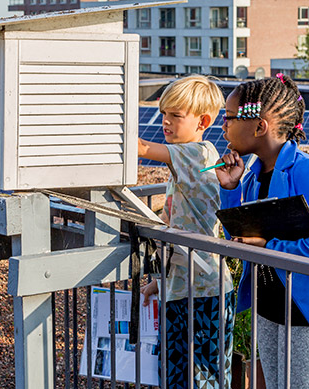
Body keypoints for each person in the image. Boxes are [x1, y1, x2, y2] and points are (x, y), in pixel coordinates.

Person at [215, 74, 309, 389]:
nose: (223, 125)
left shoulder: (305, 170)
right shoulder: (251, 175)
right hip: (268, 300)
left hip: (303, 305)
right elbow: (238, 239)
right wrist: (230, 189)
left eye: (230, 117)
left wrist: (270, 246)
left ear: (260, 126)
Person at [138, 74, 235, 389]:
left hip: (203, 288)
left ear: (203, 121)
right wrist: (157, 282)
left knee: (202, 376)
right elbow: (180, 223)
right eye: (164, 114)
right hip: (185, 284)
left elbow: (140, 147)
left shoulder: (197, 153)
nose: (165, 122)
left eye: (175, 116)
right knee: (179, 373)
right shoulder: (192, 159)